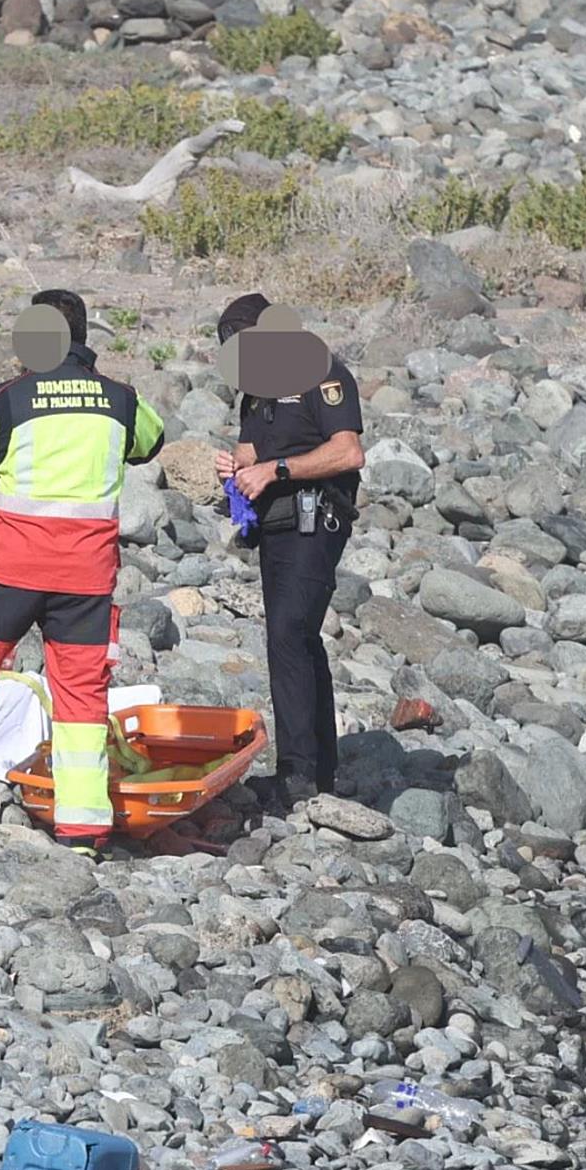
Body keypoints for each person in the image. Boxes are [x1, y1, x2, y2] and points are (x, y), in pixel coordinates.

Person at [0, 290, 166, 856]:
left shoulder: (6, 398)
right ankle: (81, 830)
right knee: (80, 696)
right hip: (86, 578)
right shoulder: (121, 399)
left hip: (13, 570)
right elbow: (151, 444)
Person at [212, 293, 365, 814]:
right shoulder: (256, 396)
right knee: (297, 639)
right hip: (275, 527)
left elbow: (348, 450)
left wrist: (276, 471)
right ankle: (320, 769)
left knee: (288, 634)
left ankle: (297, 773)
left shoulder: (321, 373)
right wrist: (234, 469)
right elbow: (250, 453)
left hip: (315, 519)